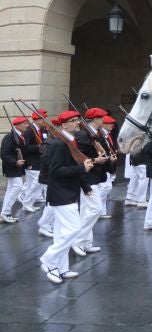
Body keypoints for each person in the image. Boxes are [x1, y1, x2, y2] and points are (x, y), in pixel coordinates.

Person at [39, 111, 94, 284]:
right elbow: (56, 171)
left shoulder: (67, 142)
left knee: (62, 233)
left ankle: (61, 268)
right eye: (73, 121)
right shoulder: (58, 144)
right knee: (73, 230)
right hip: (61, 194)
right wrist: (82, 169)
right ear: (63, 125)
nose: (78, 122)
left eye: (77, 119)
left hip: (67, 192)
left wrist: (84, 175)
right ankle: (48, 260)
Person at [72, 107, 111, 256]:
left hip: (94, 176)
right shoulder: (83, 135)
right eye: (101, 117)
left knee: (87, 211)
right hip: (87, 178)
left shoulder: (94, 134)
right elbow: (79, 158)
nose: (103, 120)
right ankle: (77, 240)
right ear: (94, 119)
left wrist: (106, 159)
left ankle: (86, 243)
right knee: (95, 209)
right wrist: (96, 160)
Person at [20, 109, 49, 212]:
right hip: (32, 161)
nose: (45, 120)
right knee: (38, 181)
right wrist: (39, 147)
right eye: (43, 118)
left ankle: (27, 200)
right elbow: (25, 147)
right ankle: (27, 201)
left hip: (41, 160)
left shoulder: (43, 130)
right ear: (37, 119)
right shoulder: (29, 131)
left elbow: (45, 142)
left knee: (33, 183)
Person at [0, 116, 28, 223]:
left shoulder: (19, 136)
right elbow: (3, 154)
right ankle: (5, 213)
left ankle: (5, 213)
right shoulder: (9, 137)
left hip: (17, 166)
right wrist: (15, 161)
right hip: (12, 166)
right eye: (24, 124)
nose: (26, 125)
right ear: (18, 125)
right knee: (17, 186)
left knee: (11, 188)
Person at [98, 115, 118, 218]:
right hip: (103, 165)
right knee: (106, 187)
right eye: (110, 123)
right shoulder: (100, 135)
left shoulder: (106, 135)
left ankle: (101, 211)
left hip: (108, 164)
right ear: (103, 124)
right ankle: (97, 208)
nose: (112, 125)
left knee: (106, 187)